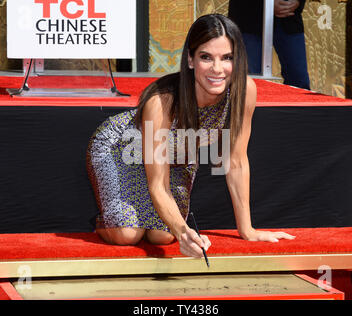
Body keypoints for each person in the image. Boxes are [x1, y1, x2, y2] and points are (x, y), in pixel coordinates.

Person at [86, 14, 295, 259]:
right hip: (120, 150)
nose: (217, 69)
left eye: (227, 58)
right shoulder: (161, 102)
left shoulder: (245, 90)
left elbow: (235, 161)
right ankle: (105, 218)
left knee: (161, 236)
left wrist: (247, 230)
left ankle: (131, 215)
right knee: (127, 234)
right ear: (190, 59)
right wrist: (185, 232)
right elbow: (158, 185)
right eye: (206, 57)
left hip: (176, 157)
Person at [228, 0, 310, 90]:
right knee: (250, 81)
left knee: (299, 81)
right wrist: (267, 4)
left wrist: (298, 1)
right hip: (248, 18)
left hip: (289, 19)